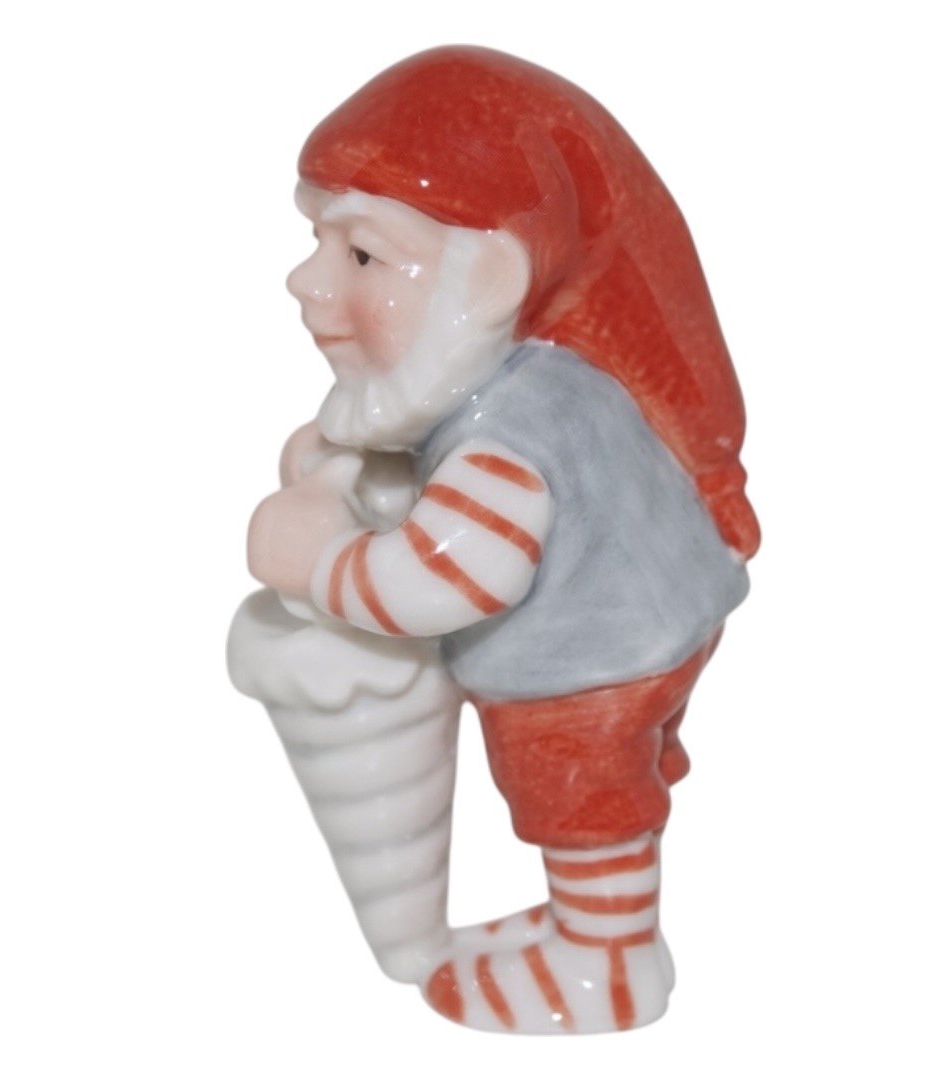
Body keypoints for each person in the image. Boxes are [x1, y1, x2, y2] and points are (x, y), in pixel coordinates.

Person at [245, 45, 759, 1034]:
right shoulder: (534, 376)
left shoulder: (503, 441)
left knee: (576, 794)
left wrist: (316, 562)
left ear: (483, 278)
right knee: (597, 794)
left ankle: (607, 967)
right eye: (317, 239)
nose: (306, 280)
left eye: (361, 255)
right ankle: (593, 919)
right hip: (661, 613)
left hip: (595, 656)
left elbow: (445, 580)